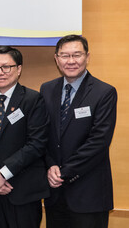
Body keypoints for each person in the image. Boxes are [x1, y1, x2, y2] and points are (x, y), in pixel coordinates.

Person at [41, 34, 117, 228]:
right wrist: (50, 166)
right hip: (55, 194)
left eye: (77, 55)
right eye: (65, 56)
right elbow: (43, 134)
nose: (71, 61)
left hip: (88, 194)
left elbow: (98, 141)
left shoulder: (104, 92)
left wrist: (64, 173)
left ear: (87, 57)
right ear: (57, 59)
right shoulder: (47, 89)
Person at [0, 46, 49, 228]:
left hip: (23, 192)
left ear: (19, 69)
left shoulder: (33, 99)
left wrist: (4, 174)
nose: (0, 72)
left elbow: (36, 143)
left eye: (6, 67)